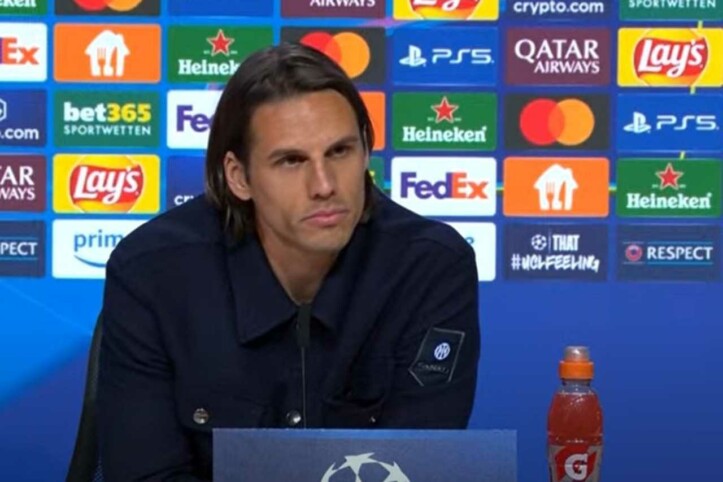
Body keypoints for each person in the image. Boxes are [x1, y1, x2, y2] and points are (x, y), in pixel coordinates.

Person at [96, 42, 481, 482]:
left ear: (366, 150)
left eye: (340, 152)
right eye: (291, 161)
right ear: (239, 177)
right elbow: (147, 475)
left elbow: (418, 470)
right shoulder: (152, 273)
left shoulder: (430, 268)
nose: (324, 185)